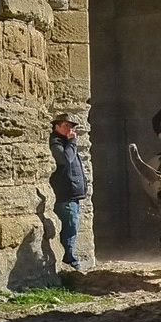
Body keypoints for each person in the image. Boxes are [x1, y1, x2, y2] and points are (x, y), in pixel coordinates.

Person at [49, 112, 89, 271]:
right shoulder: (56, 142)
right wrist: (72, 142)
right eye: (66, 125)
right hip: (65, 194)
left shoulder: (65, 142)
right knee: (70, 226)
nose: (69, 129)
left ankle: (68, 258)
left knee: (72, 226)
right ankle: (69, 260)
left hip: (71, 194)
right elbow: (65, 160)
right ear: (56, 126)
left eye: (71, 126)